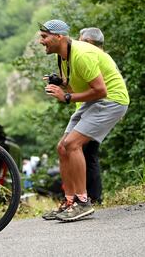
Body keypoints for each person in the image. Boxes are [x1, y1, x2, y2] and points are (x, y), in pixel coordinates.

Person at [38, 19, 129, 222]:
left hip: (111, 100)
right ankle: (69, 201)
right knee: (62, 147)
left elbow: (101, 90)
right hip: (95, 100)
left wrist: (67, 97)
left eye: (44, 37)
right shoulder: (63, 57)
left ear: (59, 36)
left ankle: (83, 202)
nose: (40, 41)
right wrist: (61, 84)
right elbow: (75, 87)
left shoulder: (82, 54)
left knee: (72, 144)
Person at [78, 27, 106, 204]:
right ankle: (91, 195)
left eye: (80, 40)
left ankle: (93, 197)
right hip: (92, 110)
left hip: (98, 110)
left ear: (88, 42)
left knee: (88, 152)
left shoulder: (93, 57)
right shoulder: (101, 57)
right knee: (87, 152)